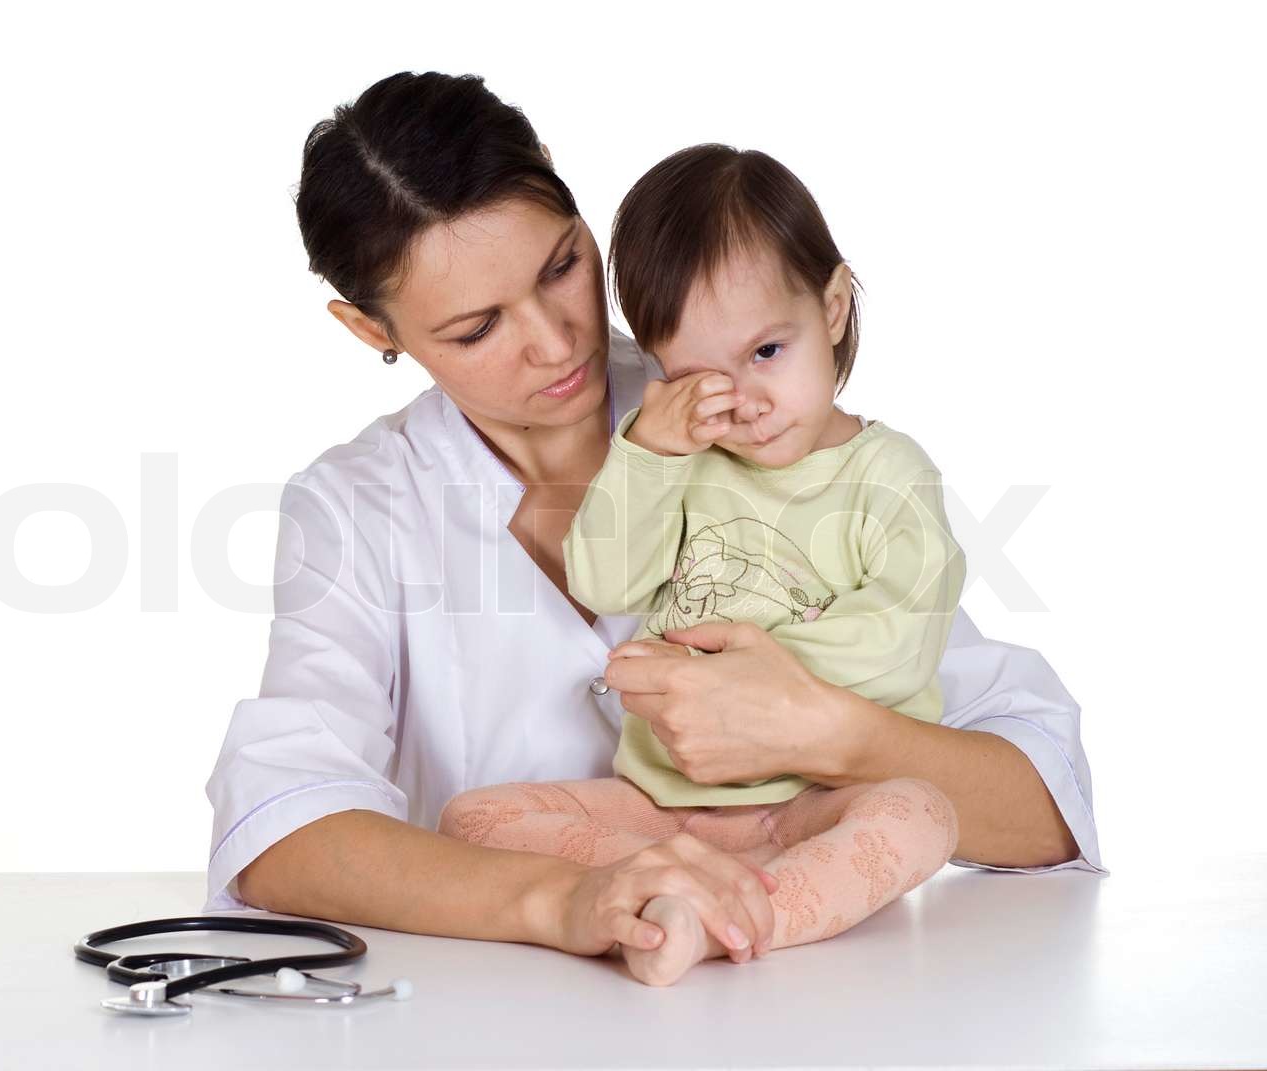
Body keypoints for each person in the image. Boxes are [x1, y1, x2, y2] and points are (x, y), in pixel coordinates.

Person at [203, 71, 1103, 975]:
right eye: (478, 329)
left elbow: (1041, 804)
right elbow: (281, 832)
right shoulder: (355, 506)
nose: (557, 342)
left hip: (801, 1011)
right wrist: (564, 898)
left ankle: (752, 913)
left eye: (562, 267)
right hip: (507, 1017)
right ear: (371, 330)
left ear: (560, 179)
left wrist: (819, 726)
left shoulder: (749, 405)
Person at [435, 144, 969, 985]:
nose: (744, 404)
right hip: (660, 808)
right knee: (472, 819)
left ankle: (728, 918)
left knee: (923, 815)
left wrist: (736, 685)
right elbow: (605, 579)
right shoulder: (686, 461)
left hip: (812, 805)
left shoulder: (890, 476)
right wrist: (649, 451)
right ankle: (671, 887)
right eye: (698, 378)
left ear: (833, 307)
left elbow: (902, 641)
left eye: (767, 352)